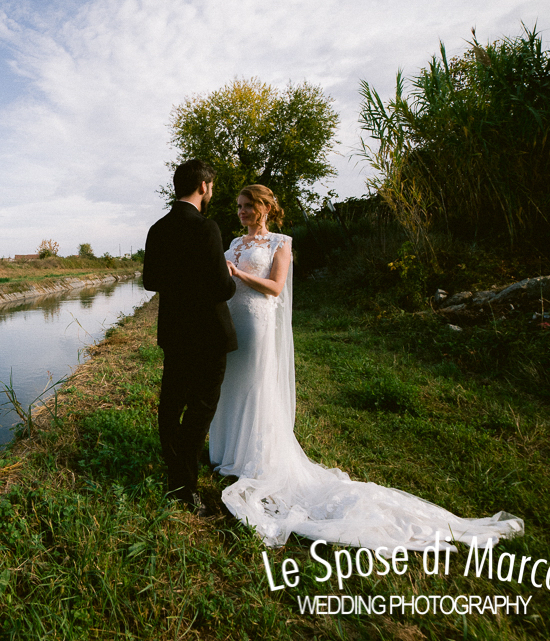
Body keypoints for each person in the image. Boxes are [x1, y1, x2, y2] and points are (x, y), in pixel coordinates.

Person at [208, 184, 523, 552]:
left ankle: (255, 459)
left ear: (265, 207)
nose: (242, 212)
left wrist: (238, 273)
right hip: (231, 322)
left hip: (257, 322)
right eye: (239, 206)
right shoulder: (235, 242)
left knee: (254, 388)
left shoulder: (281, 242)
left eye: (248, 206)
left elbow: (276, 287)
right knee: (230, 385)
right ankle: (228, 454)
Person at [143, 159, 237, 513]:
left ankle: (176, 472)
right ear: (203, 186)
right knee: (201, 407)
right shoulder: (206, 227)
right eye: (211, 186)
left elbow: (150, 281)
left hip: (174, 331)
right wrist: (227, 276)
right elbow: (222, 289)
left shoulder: (157, 228)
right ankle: (185, 485)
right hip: (208, 333)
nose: (210, 191)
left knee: (171, 405)